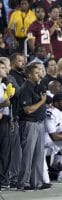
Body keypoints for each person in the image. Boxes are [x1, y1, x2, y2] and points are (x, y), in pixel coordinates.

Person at [17, 63, 50, 190]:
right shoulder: (26, 88)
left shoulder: (37, 86)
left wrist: (44, 105)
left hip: (39, 123)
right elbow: (28, 110)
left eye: (40, 72)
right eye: (36, 73)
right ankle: (23, 183)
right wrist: (42, 101)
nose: (40, 74)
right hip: (29, 123)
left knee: (38, 154)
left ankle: (36, 182)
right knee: (28, 154)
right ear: (29, 75)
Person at [0, 61, 11, 189]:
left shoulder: (3, 85)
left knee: (5, 152)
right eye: (1, 67)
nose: (4, 69)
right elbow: (4, 105)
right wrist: (4, 104)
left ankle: (4, 179)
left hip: (6, 120)